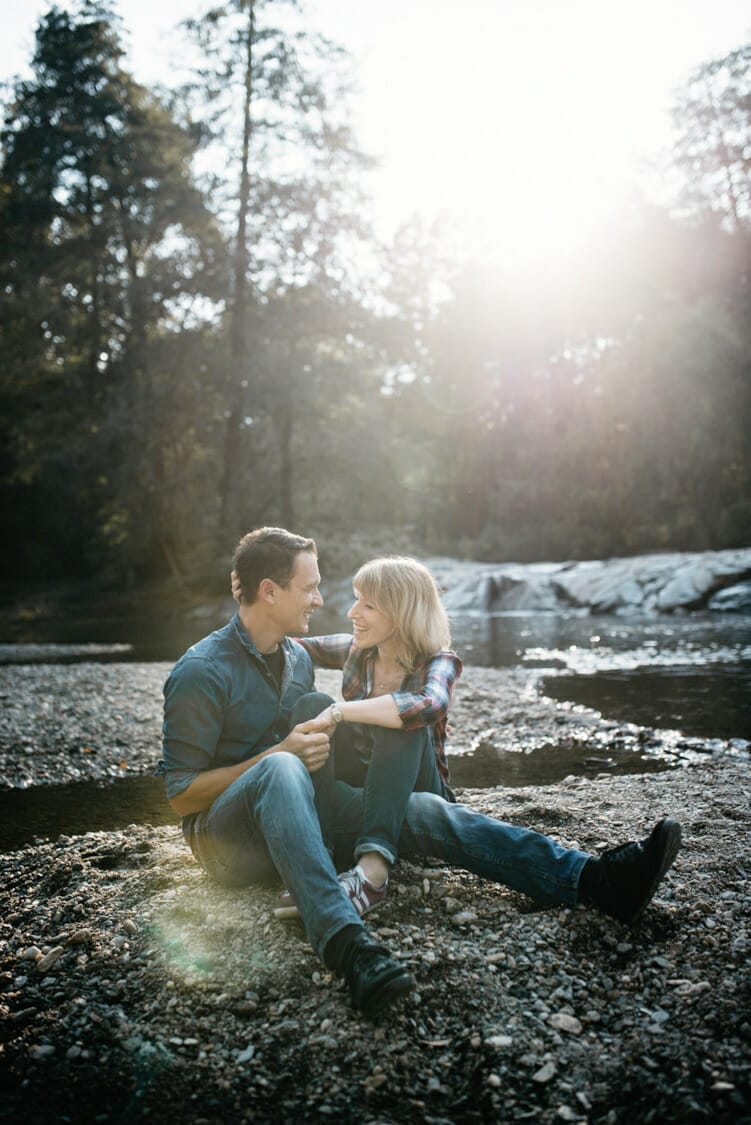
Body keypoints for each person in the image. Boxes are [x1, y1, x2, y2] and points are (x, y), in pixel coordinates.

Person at [159, 526, 682, 1020]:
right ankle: (348, 947)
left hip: (305, 824)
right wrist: (282, 752)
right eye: (311, 588)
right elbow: (181, 797)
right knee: (281, 764)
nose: (322, 600)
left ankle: (593, 879)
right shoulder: (202, 670)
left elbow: (401, 683)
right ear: (269, 592)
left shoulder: (297, 656)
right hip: (229, 844)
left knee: (426, 809)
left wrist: (321, 730)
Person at [272, 556, 462, 921]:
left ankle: (372, 874)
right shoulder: (359, 651)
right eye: (357, 599)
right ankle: (318, 861)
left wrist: (343, 711)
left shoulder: (439, 661)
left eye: (368, 605)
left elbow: (429, 705)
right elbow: (288, 644)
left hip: (420, 789)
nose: (352, 612)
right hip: (367, 784)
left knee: (401, 721)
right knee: (313, 703)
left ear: (402, 613)